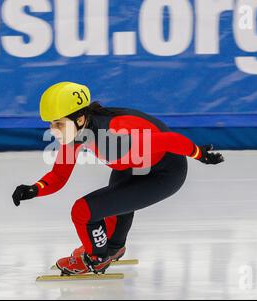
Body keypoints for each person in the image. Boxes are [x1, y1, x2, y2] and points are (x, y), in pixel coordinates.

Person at [12, 81, 224, 275]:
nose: (53, 131)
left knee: (83, 211)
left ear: (80, 118)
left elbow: (169, 139)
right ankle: (113, 247)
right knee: (110, 204)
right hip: (135, 164)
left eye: (58, 124)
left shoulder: (115, 135)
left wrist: (200, 154)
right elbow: (59, 175)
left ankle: (96, 259)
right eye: (51, 124)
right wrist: (34, 189)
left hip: (164, 173)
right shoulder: (76, 134)